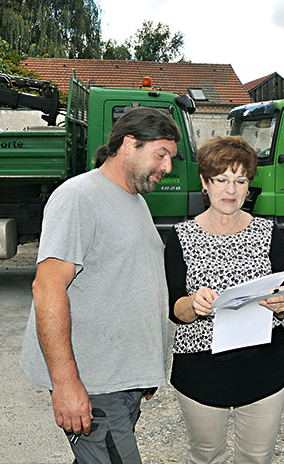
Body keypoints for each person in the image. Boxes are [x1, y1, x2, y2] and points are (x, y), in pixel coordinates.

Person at [19, 106, 181, 463]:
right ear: (129, 144)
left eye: (171, 157)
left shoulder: (133, 200)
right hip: (94, 386)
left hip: (120, 380)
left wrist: (143, 367)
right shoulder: (79, 197)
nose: (168, 168)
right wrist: (65, 384)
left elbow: (127, 282)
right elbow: (47, 289)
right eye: (161, 155)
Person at [164, 135, 284, 464]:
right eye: (221, 179)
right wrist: (194, 303)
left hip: (262, 366)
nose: (231, 190)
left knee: (257, 457)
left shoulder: (269, 232)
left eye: (240, 180)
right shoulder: (180, 236)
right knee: (206, 456)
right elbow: (174, 308)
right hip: (201, 369)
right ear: (204, 183)